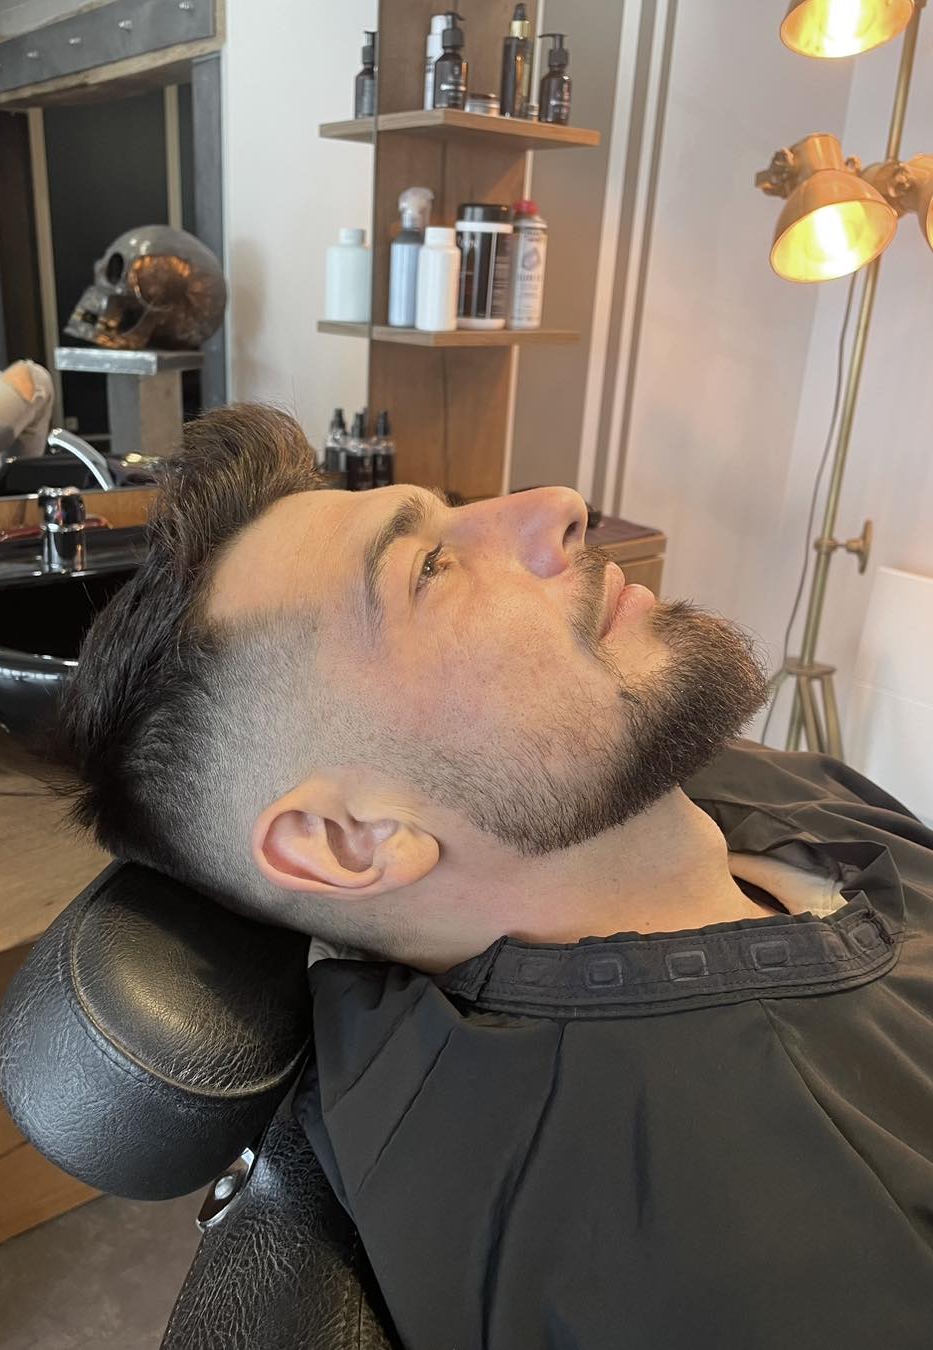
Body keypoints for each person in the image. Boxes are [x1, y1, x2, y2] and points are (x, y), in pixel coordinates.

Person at [57, 404, 933, 1350]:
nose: (559, 504)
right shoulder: (742, 1258)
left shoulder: (715, 782)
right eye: (430, 567)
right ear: (351, 840)